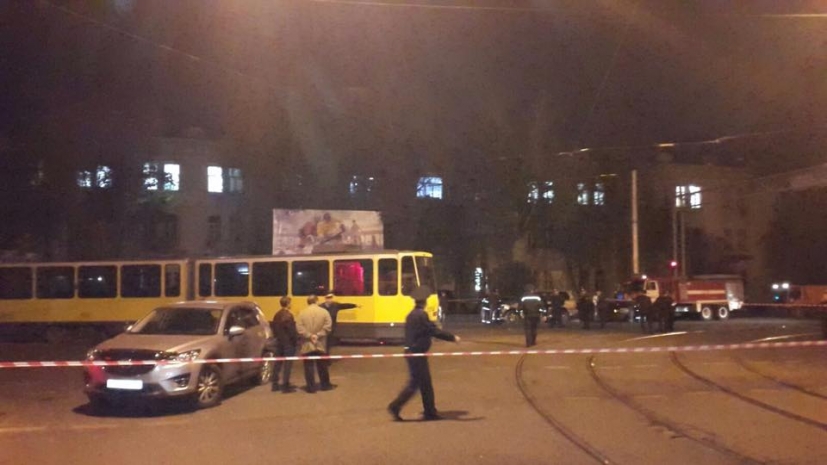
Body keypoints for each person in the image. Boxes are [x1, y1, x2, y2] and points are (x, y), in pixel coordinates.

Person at [387, 285, 460, 421]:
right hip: (417, 353)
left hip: (413, 352)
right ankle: (396, 406)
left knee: (424, 383)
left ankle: (429, 411)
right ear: (424, 301)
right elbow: (433, 331)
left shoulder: (411, 315)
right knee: (416, 383)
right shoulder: (421, 315)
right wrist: (452, 337)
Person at [296, 295, 334, 393]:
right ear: (316, 301)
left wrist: (310, 336)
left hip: (307, 344)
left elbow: (299, 328)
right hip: (320, 343)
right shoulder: (324, 312)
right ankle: (325, 385)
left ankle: (311, 387)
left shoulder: (302, 313)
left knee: (308, 367)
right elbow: (328, 326)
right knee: (322, 366)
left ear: (308, 302)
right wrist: (318, 335)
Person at [270, 296, 299, 393]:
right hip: (288, 343)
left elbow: (274, 328)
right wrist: (296, 341)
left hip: (279, 342)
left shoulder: (276, 314)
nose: (291, 304)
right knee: (288, 364)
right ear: (287, 304)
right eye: (290, 303)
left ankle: (274, 384)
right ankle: (285, 385)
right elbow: (291, 331)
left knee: (278, 363)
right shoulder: (288, 316)